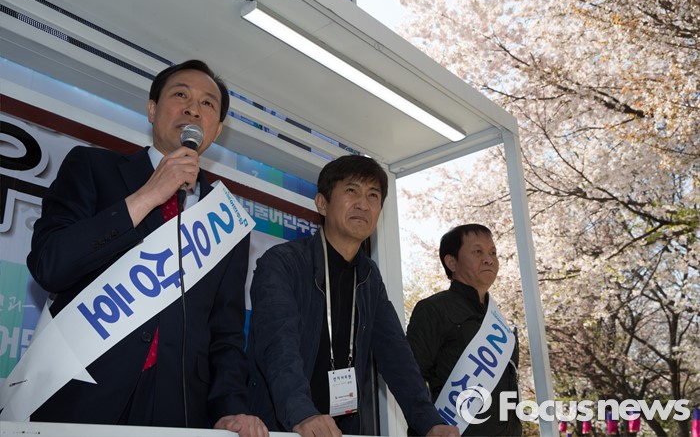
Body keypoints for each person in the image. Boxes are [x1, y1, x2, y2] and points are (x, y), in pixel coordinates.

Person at [26, 60, 267, 436]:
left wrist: (230, 407)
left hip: (176, 407)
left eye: (207, 103)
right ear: (152, 109)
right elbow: (50, 264)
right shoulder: (92, 167)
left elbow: (226, 332)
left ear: (217, 129)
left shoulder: (226, 219)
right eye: (181, 95)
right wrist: (148, 195)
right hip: (83, 394)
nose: (193, 109)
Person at [246, 155, 460, 437]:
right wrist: (302, 413)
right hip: (282, 427)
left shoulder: (369, 277)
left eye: (373, 195)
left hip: (343, 430)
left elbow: (396, 355)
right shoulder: (283, 262)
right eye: (351, 191)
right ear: (322, 203)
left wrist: (430, 423)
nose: (363, 204)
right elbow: (278, 345)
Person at [406, 224, 522, 436]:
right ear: (452, 262)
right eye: (478, 252)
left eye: (493, 253)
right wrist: (428, 425)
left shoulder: (498, 321)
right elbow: (410, 376)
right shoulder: (433, 309)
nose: (489, 259)